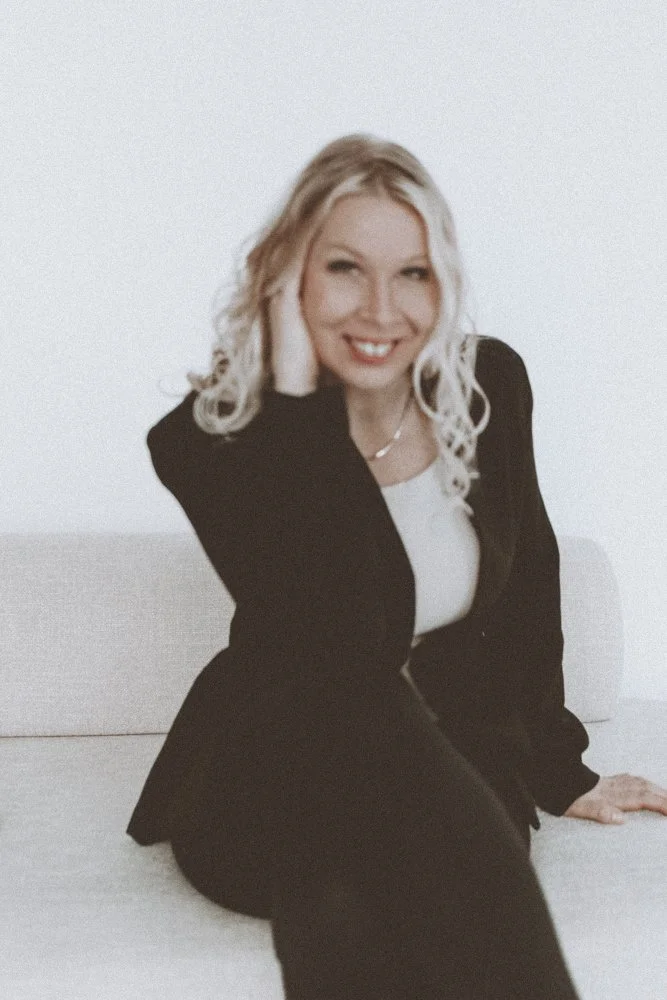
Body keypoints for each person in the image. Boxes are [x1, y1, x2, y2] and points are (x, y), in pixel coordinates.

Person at [127, 134, 667, 1000]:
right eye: (345, 268)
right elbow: (340, 642)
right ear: (289, 275)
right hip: (273, 757)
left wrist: (556, 769)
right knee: (351, 859)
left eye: (411, 273)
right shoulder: (215, 439)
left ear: (441, 285)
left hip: (450, 755)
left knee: (378, 882)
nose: (381, 309)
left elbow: (528, 582)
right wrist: (294, 401)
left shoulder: (487, 386)